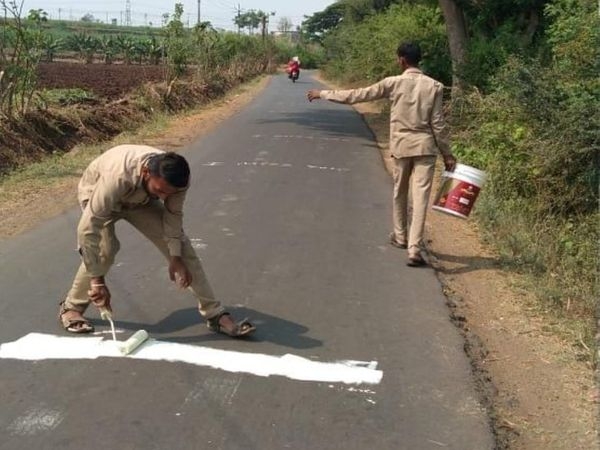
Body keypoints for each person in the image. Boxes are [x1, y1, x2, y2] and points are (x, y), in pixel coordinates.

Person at [58, 144, 255, 337]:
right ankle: (71, 308)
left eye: (168, 194)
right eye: (160, 191)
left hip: (142, 201)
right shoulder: (117, 176)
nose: (164, 197)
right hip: (99, 194)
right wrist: (97, 281)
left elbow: (173, 216)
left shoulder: (177, 182)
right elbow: (87, 228)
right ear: (146, 172)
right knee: (105, 251)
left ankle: (214, 314)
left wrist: (175, 257)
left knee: (183, 249)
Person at [307, 42, 456, 266]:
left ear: (402, 60)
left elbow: (359, 95)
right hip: (425, 148)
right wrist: (448, 154)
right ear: (419, 59)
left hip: (401, 146)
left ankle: (400, 236)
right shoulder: (434, 86)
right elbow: (438, 123)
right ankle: (414, 249)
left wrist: (323, 93)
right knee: (421, 198)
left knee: (399, 192)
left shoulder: (392, 83)